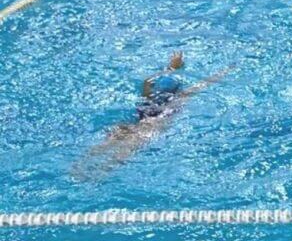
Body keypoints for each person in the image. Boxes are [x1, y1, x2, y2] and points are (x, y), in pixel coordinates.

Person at [70, 52, 230, 180]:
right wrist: (223, 72)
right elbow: (202, 84)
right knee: (126, 149)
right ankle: (100, 174)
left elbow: (147, 81)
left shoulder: (148, 96)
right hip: (151, 127)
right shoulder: (179, 99)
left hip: (135, 122)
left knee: (111, 140)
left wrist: (172, 67)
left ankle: (78, 166)